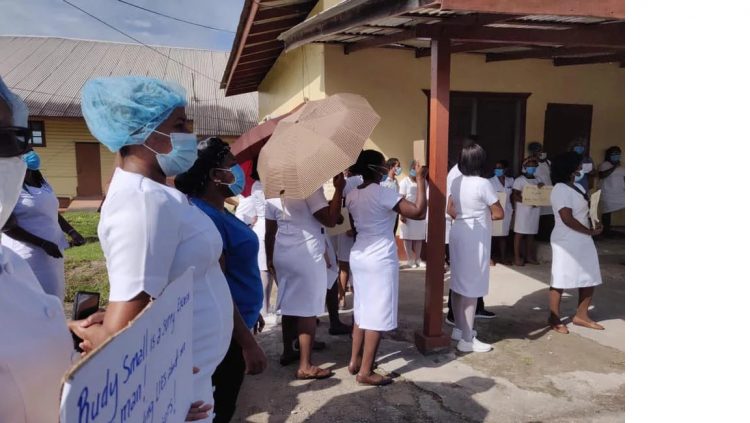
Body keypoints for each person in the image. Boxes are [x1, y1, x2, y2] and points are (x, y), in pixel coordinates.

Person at [68, 76, 232, 421]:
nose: (189, 134)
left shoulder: (160, 195)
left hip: (189, 379)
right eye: (178, 125)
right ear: (140, 132)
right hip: (177, 393)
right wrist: (159, 393)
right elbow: (119, 334)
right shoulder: (142, 205)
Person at [0, 76, 78, 423]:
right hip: (35, 250)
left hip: (48, 253)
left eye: (10, 138)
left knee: (53, 300)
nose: (14, 154)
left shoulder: (10, 268)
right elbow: (11, 223)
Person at [175, 137, 268, 423]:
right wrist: (247, 342)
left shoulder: (219, 210)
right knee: (221, 405)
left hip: (238, 318)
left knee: (226, 400)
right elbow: (219, 283)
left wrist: (252, 314)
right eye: (232, 166)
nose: (238, 171)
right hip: (226, 331)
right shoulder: (207, 219)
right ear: (216, 176)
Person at [347, 150, 426, 385]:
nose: (386, 169)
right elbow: (418, 211)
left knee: (361, 310)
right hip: (379, 257)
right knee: (377, 313)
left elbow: (354, 226)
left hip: (359, 255)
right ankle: (366, 371)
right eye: (383, 166)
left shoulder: (351, 195)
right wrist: (421, 179)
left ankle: (355, 361)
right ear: (375, 169)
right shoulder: (382, 193)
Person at [265, 173, 344, 379]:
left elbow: (269, 231)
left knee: (290, 304)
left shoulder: (273, 189)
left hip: (283, 252)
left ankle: (288, 351)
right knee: (308, 310)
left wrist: (270, 258)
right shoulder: (308, 187)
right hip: (305, 253)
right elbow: (331, 220)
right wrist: (339, 189)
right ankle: (305, 365)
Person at [2, 149, 85, 300]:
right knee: (33, 302)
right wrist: (42, 243)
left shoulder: (40, 180)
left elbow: (51, 211)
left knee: (54, 297)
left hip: (52, 253)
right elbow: (7, 226)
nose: (30, 153)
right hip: (26, 256)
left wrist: (71, 231)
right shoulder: (7, 186)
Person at [447, 143, 504, 353]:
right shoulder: (483, 184)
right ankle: (467, 339)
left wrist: (466, 215)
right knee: (471, 287)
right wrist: (479, 216)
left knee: (458, 282)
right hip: (475, 237)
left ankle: (459, 329)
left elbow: (450, 209)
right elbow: (499, 213)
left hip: (458, 231)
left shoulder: (456, 181)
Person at [548, 151, 605, 334]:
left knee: (590, 275)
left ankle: (581, 315)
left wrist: (594, 222)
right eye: (578, 165)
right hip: (566, 239)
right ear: (569, 168)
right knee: (561, 276)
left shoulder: (578, 188)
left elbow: (584, 212)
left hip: (583, 238)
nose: (581, 168)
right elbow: (567, 218)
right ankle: (554, 317)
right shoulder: (559, 189)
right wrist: (589, 231)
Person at [235, 160, 276, 323]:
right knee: (266, 271)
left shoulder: (256, 186)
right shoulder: (263, 186)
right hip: (267, 227)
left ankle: (266, 307)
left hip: (262, 226)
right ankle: (265, 309)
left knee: (267, 270)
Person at [512, 157, 543, 266]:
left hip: (535, 210)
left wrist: (542, 188)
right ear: (525, 167)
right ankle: (517, 257)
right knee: (519, 233)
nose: (532, 168)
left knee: (531, 233)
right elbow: (515, 196)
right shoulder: (519, 180)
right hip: (523, 210)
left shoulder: (538, 179)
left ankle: (529, 257)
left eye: (534, 166)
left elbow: (542, 193)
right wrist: (528, 201)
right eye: (529, 166)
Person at [399, 160, 426, 268]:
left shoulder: (423, 182)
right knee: (408, 237)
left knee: (418, 237)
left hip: (419, 214)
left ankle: (418, 259)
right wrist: (402, 214)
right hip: (407, 212)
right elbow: (401, 198)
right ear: (411, 169)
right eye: (415, 168)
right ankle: (410, 259)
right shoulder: (404, 182)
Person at [528, 142, 554, 242]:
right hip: (537, 191)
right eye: (538, 150)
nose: (540, 152)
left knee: (549, 214)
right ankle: (539, 237)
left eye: (541, 150)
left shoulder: (547, 162)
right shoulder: (530, 162)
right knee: (539, 214)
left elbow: (552, 174)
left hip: (549, 190)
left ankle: (548, 237)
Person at [489, 160, 514, 265]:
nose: (497, 170)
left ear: (505, 169)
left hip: (507, 209)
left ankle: (503, 258)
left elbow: (513, 195)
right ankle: (489, 258)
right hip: (494, 210)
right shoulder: (490, 181)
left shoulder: (511, 180)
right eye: (496, 168)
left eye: (500, 168)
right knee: (491, 234)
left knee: (503, 235)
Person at [598, 146, 625, 236]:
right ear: (609, 155)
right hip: (608, 193)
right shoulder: (604, 165)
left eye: (617, 153)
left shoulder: (621, 166)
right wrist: (614, 167)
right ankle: (606, 231)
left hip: (621, 193)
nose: (616, 155)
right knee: (607, 211)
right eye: (613, 154)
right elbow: (602, 175)